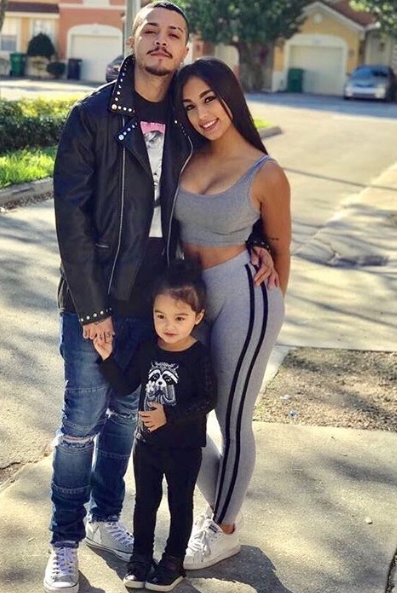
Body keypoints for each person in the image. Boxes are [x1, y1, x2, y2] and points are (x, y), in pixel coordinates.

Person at [46, 3, 274, 591]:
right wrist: (92, 309)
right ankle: (64, 541)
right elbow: (71, 220)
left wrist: (260, 241)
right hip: (96, 299)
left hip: (157, 306)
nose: (162, 40)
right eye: (152, 29)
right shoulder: (93, 115)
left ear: (185, 48)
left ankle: (103, 520)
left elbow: (229, 178)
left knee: (126, 418)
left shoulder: (185, 117)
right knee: (80, 424)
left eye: (175, 33)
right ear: (133, 38)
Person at [172, 57, 291, 570]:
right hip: (189, 302)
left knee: (232, 414)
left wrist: (268, 316)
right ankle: (224, 513)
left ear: (230, 97)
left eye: (209, 99)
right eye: (189, 106)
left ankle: (221, 528)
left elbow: (280, 248)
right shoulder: (184, 155)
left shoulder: (266, 172)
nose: (202, 114)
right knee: (180, 411)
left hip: (246, 296)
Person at [93, 258, 216, 591]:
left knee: (180, 504)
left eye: (179, 318)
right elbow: (125, 385)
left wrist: (169, 415)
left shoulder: (198, 355)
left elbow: (208, 399)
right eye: (160, 316)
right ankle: (140, 559)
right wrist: (107, 358)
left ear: (198, 317)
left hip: (184, 449)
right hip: (146, 445)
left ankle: (173, 561)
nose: (168, 325)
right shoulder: (148, 348)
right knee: (145, 504)